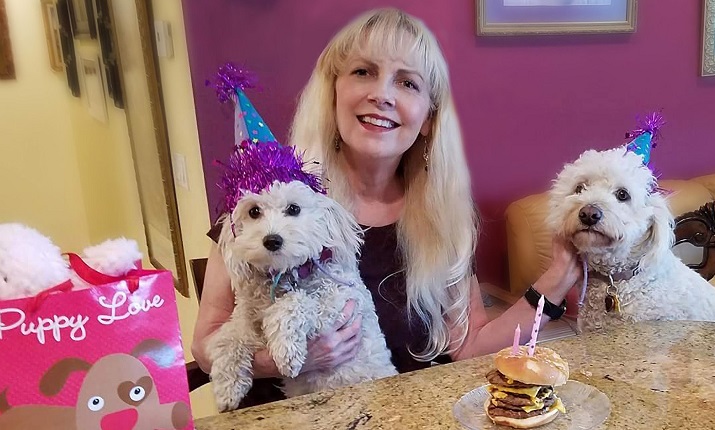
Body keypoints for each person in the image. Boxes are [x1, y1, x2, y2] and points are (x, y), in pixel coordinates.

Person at [191, 7, 581, 406]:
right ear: (334, 91)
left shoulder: (442, 221)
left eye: (408, 83)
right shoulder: (262, 206)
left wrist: (559, 275)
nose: (383, 94)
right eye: (363, 72)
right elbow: (205, 346)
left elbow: (471, 346)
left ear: (429, 118)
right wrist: (283, 361)